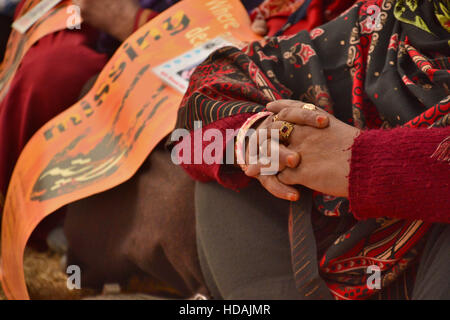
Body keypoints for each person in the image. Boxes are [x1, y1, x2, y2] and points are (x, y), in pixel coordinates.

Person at [174, 0, 449, 299]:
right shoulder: (391, 26)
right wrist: (259, 133)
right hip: (339, 260)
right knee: (239, 161)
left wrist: (361, 162)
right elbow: (211, 92)